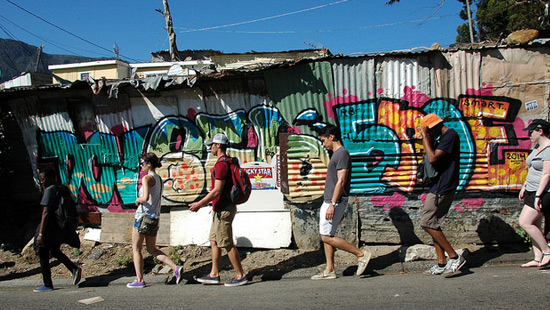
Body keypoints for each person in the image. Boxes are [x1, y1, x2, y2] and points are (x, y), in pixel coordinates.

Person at [311, 125, 371, 280]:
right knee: (327, 234)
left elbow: (341, 180)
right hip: (331, 199)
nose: (323, 144)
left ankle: (361, 254)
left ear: (332, 137)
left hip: (334, 200)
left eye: (324, 140)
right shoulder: (337, 154)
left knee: (325, 237)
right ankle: (329, 269)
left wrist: (333, 203)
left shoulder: (342, 154)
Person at [189, 133, 248, 287]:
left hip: (223, 209)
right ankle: (214, 274)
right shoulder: (225, 162)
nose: (210, 148)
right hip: (219, 209)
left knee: (226, 243)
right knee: (214, 240)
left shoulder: (221, 165)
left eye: (212, 145)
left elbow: (217, 191)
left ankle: (240, 275)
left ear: (218, 145)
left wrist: (199, 204)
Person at [420, 113, 466, 277]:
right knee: (433, 223)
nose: (428, 134)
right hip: (438, 185)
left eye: (429, 131)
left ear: (434, 127)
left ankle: (454, 257)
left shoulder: (450, 136)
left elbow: (432, 158)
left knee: (426, 222)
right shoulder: (444, 138)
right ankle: (441, 263)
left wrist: (426, 136)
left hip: (443, 187)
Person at [127, 152, 183, 288]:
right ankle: (175, 267)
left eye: (142, 163)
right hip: (154, 218)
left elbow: (145, 198)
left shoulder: (147, 179)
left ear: (149, 164)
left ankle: (140, 280)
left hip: (142, 217)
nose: (141, 166)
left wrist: (137, 200)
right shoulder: (158, 178)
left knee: (136, 249)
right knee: (152, 249)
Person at [33, 167, 81, 292]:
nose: (42, 182)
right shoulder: (62, 188)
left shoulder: (49, 190)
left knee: (42, 251)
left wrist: (41, 233)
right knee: (54, 250)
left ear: (49, 178)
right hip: (60, 227)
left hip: (50, 227)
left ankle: (47, 284)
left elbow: (46, 212)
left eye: (43, 179)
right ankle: (73, 268)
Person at [518, 119, 550, 269]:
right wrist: (524, 186)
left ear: (540, 131)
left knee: (524, 222)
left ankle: (547, 252)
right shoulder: (537, 147)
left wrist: (538, 195)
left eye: (531, 132)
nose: (529, 135)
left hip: (542, 192)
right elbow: (531, 168)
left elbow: (546, 174)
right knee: (534, 223)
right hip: (531, 190)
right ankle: (537, 258)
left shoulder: (549, 149)